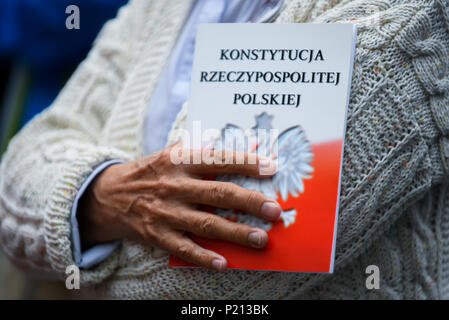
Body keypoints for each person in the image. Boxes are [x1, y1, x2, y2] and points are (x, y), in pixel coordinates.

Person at [0, 0, 448, 299]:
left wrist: (79, 231)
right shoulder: (163, 7)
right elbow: (18, 171)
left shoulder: (404, 16)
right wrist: (100, 196)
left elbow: (208, 282)